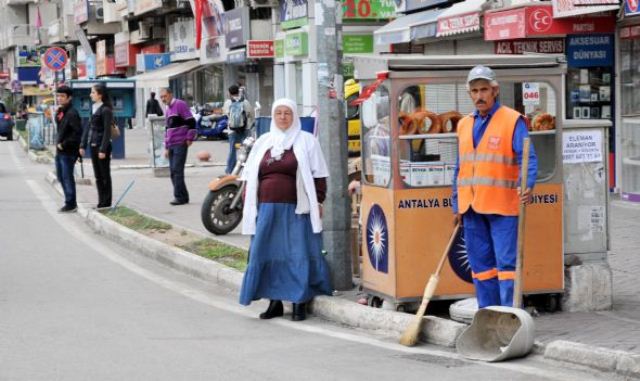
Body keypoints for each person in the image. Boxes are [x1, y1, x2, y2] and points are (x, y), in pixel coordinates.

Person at [452, 65, 538, 309]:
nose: (479, 95)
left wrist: (527, 184)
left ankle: (509, 317)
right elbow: (460, 167)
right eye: (475, 90)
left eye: (484, 90)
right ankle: (487, 316)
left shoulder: (512, 120)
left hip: (502, 206)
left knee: (507, 266)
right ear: (469, 94)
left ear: (495, 90)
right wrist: (456, 203)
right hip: (471, 207)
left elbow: (527, 156)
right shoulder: (464, 124)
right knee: (481, 268)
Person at [239, 98, 332, 321]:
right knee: (269, 253)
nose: (282, 117)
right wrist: (248, 205)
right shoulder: (263, 142)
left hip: (296, 209)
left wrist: (318, 202)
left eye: (287, 113)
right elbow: (250, 176)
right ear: (273, 116)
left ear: (294, 117)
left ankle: (299, 301)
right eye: (278, 113)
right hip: (267, 209)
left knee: (296, 254)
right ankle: (275, 302)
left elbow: (319, 176)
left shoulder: (307, 141)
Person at [159, 87, 197, 205]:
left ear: (170, 94)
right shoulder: (168, 110)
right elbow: (167, 129)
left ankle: (179, 197)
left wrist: (190, 137)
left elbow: (191, 121)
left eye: (165, 96)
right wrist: (166, 146)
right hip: (171, 144)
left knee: (177, 170)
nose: (163, 99)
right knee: (172, 172)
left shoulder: (180, 104)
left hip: (180, 143)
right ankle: (183, 196)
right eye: (161, 97)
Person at [80, 84, 114, 209]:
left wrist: (103, 149)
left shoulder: (106, 110)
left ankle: (107, 202)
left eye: (93, 92)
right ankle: (101, 201)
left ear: (100, 95)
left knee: (105, 175)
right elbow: (88, 128)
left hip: (102, 146)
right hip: (93, 145)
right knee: (98, 176)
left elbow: (107, 131)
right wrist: (82, 145)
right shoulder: (93, 108)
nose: (90, 95)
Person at [54, 85, 82, 213]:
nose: (59, 98)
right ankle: (69, 201)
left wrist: (64, 144)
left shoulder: (72, 113)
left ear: (69, 98)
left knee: (67, 177)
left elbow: (77, 133)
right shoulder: (62, 111)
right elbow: (60, 128)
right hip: (60, 151)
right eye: (58, 96)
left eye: (62, 96)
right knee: (60, 176)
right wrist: (58, 113)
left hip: (68, 151)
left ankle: (71, 203)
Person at [223, 85, 253, 174]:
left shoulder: (227, 103)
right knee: (247, 150)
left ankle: (230, 170)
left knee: (232, 150)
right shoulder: (245, 102)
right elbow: (251, 114)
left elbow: (225, 113)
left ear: (229, 93)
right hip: (245, 129)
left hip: (232, 130)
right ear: (238, 92)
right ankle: (249, 169)